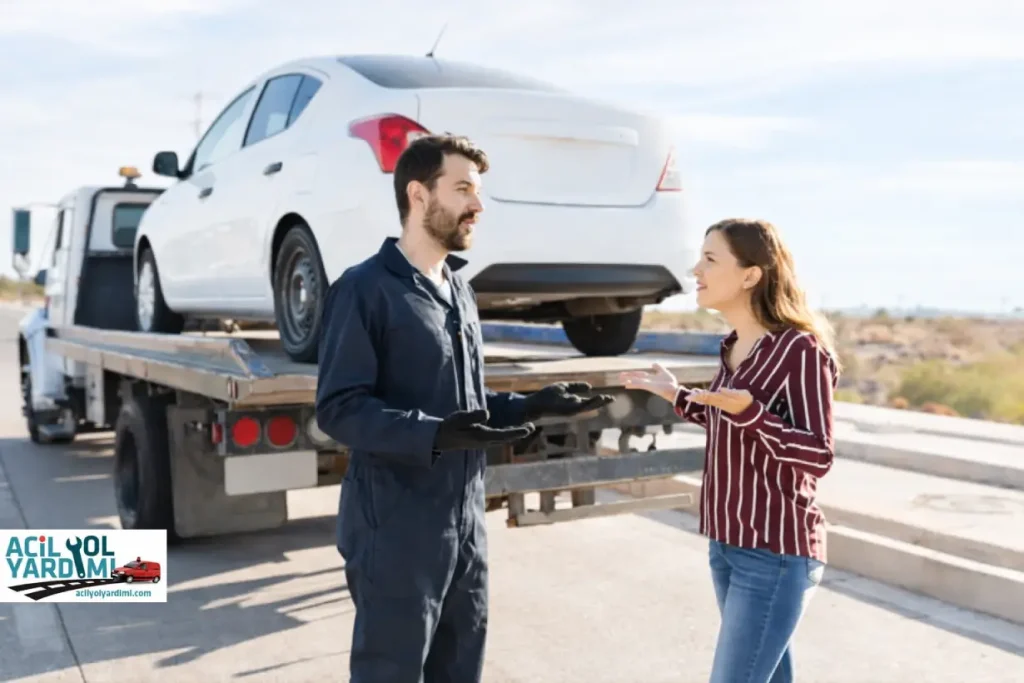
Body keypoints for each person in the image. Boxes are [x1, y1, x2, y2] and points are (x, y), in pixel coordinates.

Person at [315, 133, 614, 683]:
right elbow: (339, 408)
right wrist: (433, 435)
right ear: (419, 196)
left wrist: (533, 403)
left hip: (466, 526)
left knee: (461, 672)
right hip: (396, 529)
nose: (478, 206)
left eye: (478, 192)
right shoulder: (364, 290)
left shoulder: (459, 290)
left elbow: (465, 410)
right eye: (463, 190)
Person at [620, 218, 839, 683]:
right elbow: (729, 418)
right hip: (726, 543)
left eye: (710, 259)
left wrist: (753, 413)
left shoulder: (799, 350)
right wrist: (677, 395)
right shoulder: (734, 347)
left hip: (774, 552)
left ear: (750, 275)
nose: (695, 269)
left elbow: (818, 455)